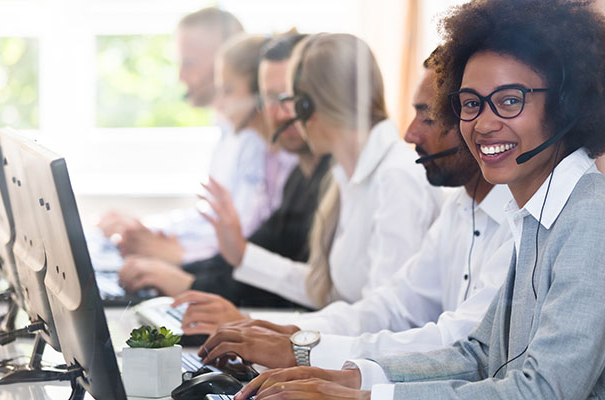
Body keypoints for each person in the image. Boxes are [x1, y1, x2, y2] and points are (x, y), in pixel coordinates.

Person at [233, 1, 605, 399]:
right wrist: (353, 378)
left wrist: (368, 396)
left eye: (509, 101)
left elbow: (543, 391)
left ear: (567, 106)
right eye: (470, 103)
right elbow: (479, 354)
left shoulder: (592, 218)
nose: (483, 123)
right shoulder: (537, 216)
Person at [184, 51, 516, 373]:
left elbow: (457, 343)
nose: (409, 133)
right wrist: (283, 334)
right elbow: (389, 306)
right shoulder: (455, 206)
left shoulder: (398, 177)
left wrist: (302, 348)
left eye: (427, 117)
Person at [177, 33, 442, 314]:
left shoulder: (396, 178)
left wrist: (263, 329)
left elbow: (384, 317)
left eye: (291, 99)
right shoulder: (347, 176)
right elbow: (327, 291)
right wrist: (243, 256)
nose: (286, 113)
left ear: (308, 106)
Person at [118, 34, 331, 310]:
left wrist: (185, 274)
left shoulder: (308, 171)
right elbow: (251, 252)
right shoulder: (298, 176)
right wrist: (187, 274)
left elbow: (288, 279)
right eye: (272, 98)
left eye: (289, 98)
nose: (282, 112)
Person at [96, 9, 294, 266]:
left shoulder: (263, 145)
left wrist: (176, 255)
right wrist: (144, 230)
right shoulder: (230, 131)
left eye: (189, 63)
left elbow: (246, 240)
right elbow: (210, 220)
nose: (180, 76)